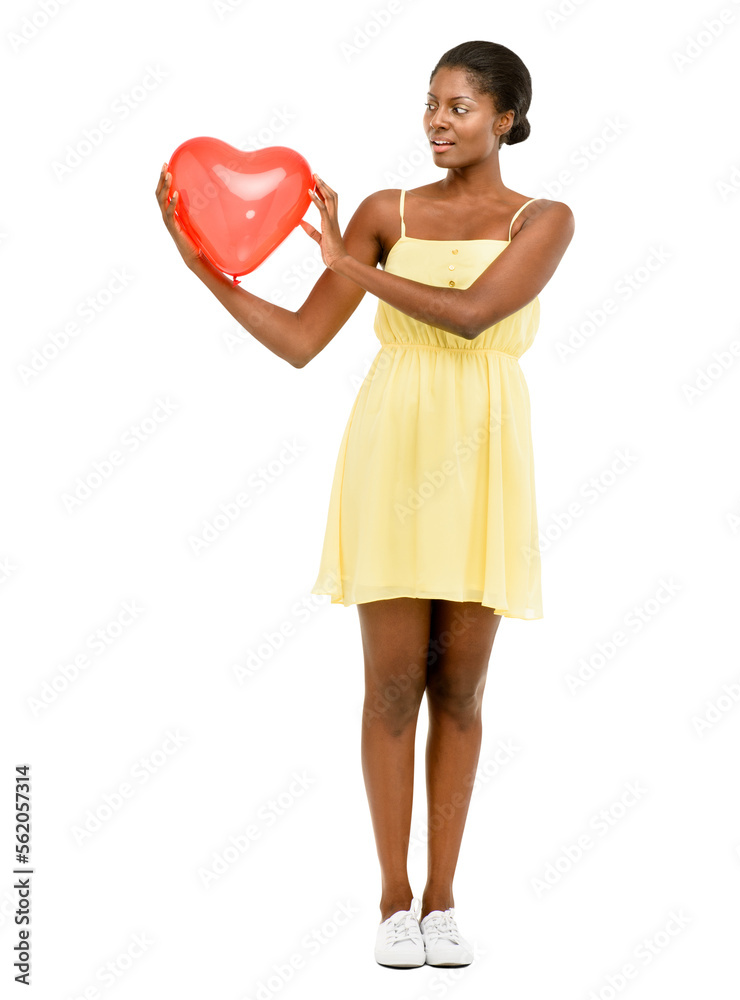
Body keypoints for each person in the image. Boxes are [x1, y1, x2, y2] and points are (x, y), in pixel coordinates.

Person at [156, 38, 574, 969]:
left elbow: (472, 316)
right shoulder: (384, 213)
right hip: (394, 454)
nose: (436, 120)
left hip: (485, 458)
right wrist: (205, 273)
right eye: (429, 103)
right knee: (392, 684)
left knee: (460, 688)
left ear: (504, 119)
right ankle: (392, 901)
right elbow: (305, 340)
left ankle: (442, 902)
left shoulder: (544, 219)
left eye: (459, 107)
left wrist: (353, 269)